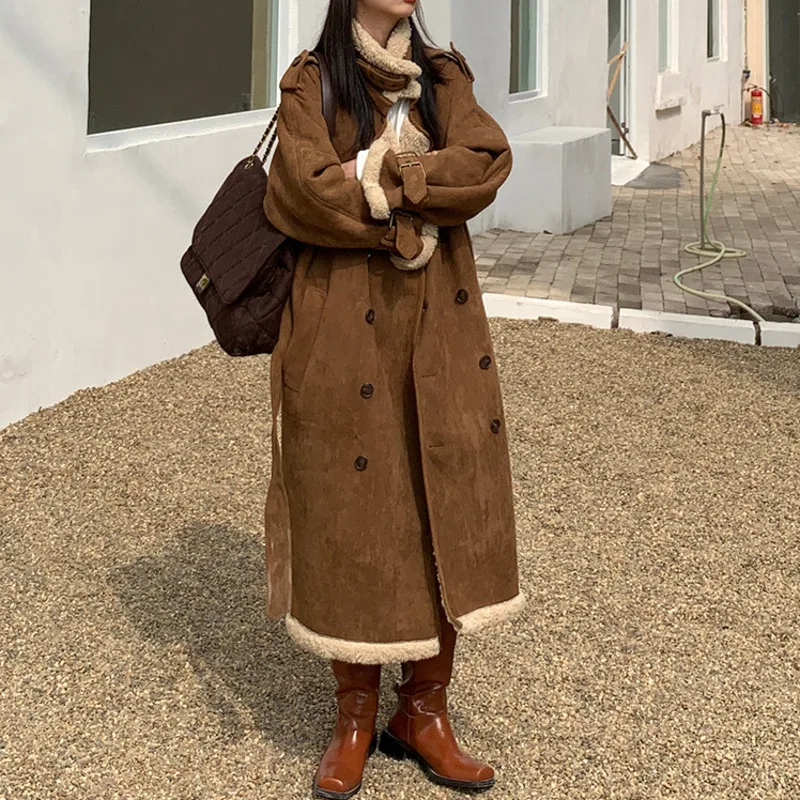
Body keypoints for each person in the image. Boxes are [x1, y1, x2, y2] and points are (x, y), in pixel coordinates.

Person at [263, 0, 525, 797]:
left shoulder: (444, 77)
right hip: (342, 328)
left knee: (442, 495)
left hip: (440, 324)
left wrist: (381, 175)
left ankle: (423, 713)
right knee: (353, 507)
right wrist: (416, 193)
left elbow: (485, 164)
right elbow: (303, 194)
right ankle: (353, 718)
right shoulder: (311, 82)